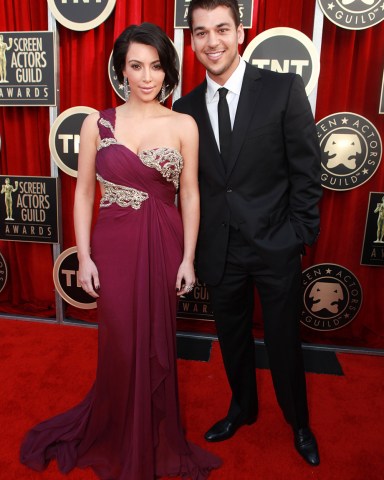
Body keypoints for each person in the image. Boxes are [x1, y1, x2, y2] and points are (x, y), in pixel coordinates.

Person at [20, 23, 221, 479]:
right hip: (112, 243)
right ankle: (114, 428)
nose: (146, 76)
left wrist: (188, 257)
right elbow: (85, 193)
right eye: (136, 66)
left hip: (163, 242)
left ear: (167, 70)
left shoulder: (183, 124)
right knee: (119, 340)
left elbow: (190, 195)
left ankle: (151, 430)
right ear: (122, 70)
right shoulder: (98, 122)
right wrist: (84, 255)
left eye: (155, 66)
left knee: (156, 339)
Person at [173, 0, 322, 467]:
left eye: (221, 29)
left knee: (283, 341)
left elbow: (306, 169)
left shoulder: (281, 89)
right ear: (191, 40)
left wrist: (299, 234)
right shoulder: (185, 108)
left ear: (240, 32)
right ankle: (242, 408)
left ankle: (299, 422)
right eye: (200, 32)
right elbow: (189, 185)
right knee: (232, 338)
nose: (211, 41)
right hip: (219, 250)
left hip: (275, 244)